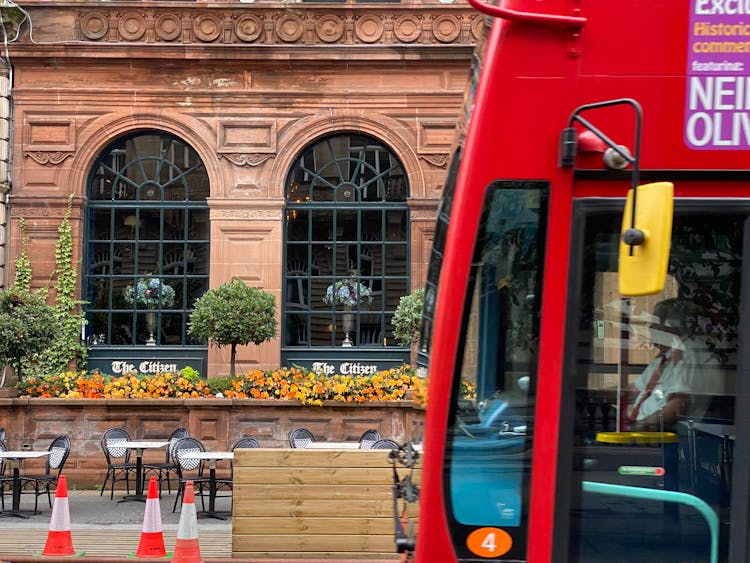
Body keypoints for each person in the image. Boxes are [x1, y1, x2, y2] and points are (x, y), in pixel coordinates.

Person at [626, 298, 696, 432]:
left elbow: (677, 406)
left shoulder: (685, 357)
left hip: (655, 434)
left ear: (671, 327)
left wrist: (642, 425)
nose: (650, 328)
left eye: (655, 323)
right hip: (639, 427)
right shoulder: (663, 359)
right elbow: (633, 390)